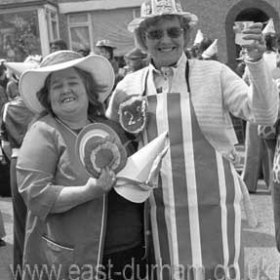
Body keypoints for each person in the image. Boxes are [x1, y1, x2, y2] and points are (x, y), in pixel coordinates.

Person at [106, 0, 278, 279]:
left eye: (173, 32)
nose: (165, 40)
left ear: (186, 35)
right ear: (142, 40)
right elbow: (113, 140)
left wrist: (256, 64)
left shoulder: (215, 73)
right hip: (162, 211)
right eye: (155, 33)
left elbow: (265, 114)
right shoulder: (128, 86)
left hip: (216, 206)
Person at [16, 50, 147, 280]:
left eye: (72, 82)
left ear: (88, 89)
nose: (66, 89)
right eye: (57, 86)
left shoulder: (109, 126)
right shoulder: (43, 131)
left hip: (130, 251)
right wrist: (88, 192)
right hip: (77, 261)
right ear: (48, 96)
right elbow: (35, 195)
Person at [0, 58, 41, 278]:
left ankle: (21, 272)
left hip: (17, 162)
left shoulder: (9, 107)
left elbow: (5, 144)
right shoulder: (43, 106)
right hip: (43, 163)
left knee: (20, 225)